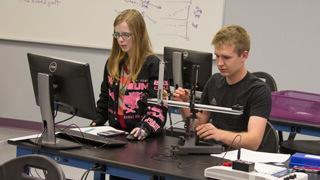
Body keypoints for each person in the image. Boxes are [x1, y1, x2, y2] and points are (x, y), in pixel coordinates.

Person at [173, 25, 271, 150]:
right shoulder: (214, 81)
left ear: (244, 56)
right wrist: (184, 105)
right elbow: (196, 127)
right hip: (213, 151)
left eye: (226, 57)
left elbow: (254, 141)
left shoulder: (259, 90)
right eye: (217, 56)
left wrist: (220, 134)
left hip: (241, 159)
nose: (219, 63)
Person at [91, 9, 169, 141]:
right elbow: (105, 99)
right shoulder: (112, 63)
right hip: (116, 134)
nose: (120, 40)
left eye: (126, 35)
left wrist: (144, 128)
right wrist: (96, 122)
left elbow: (159, 108)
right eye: (117, 34)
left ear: (138, 35)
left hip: (144, 137)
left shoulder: (154, 65)